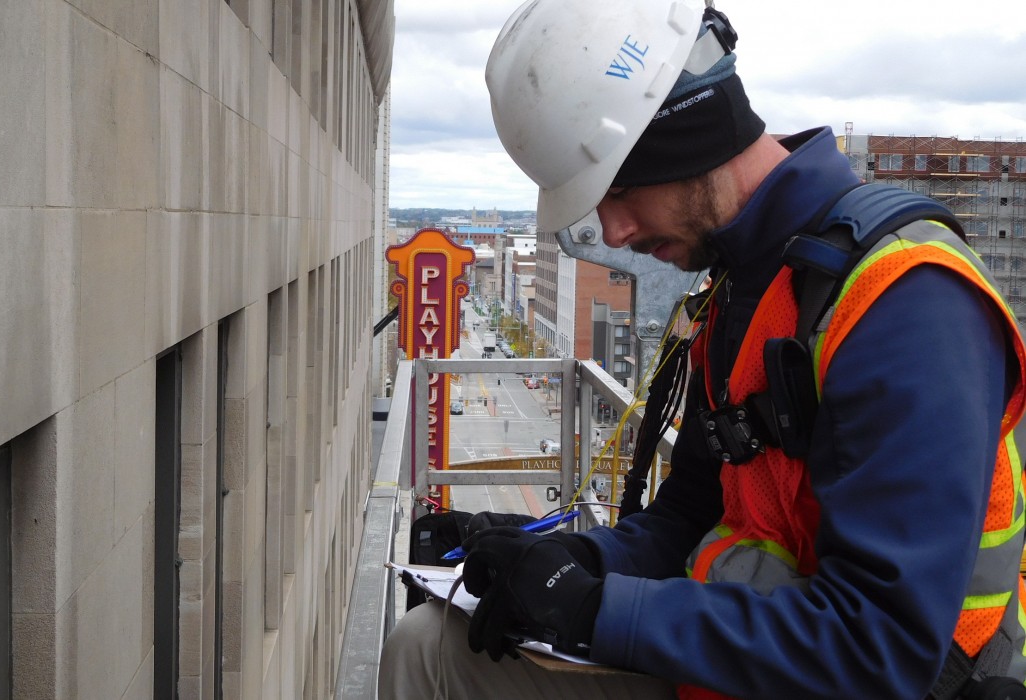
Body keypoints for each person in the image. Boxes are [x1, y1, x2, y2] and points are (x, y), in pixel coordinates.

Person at [379, 0, 1026, 698]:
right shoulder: (748, 288)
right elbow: (687, 518)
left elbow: (882, 648)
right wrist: (562, 561)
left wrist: (594, 611)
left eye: (618, 189)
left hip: (869, 682)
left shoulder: (905, 302)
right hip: (742, 665)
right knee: (429, 646)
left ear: (684, 134)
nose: (615, 231)